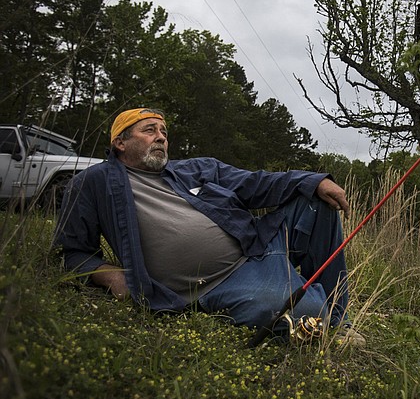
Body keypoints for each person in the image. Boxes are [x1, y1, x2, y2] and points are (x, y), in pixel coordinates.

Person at [54, 107, 363, 345]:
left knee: (314, 200)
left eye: (163, 131)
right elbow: (73, 251)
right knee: (307, 314)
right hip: (221, 281)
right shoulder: (93, 183)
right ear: (120, 143)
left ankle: (340, 320)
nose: (161, 136)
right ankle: (308, 302)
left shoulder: (195, 168)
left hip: (255, 246)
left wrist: (313, 180)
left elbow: (254, 183)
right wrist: (110, 276)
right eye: (149, 130)